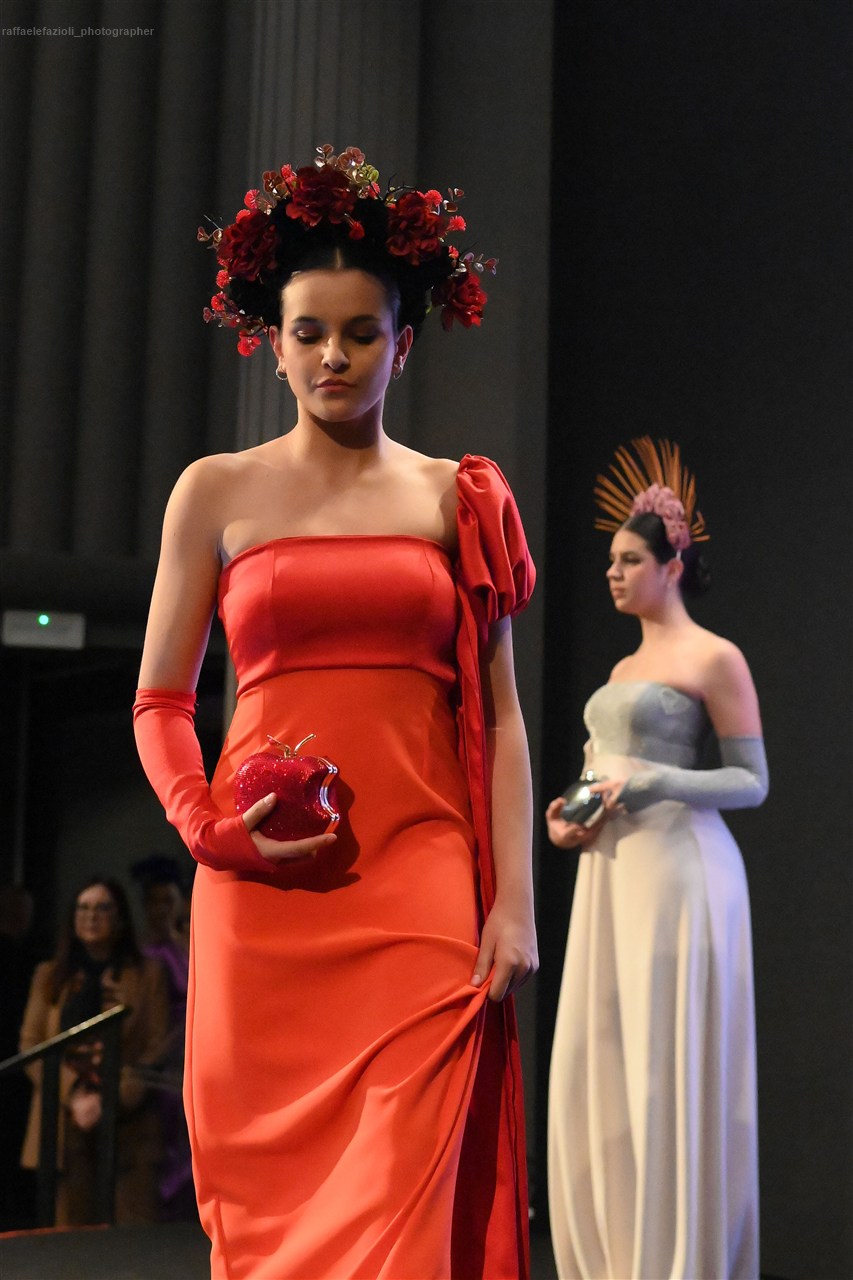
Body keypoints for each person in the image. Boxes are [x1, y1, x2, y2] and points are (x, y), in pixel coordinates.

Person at [133, 144, 538, 1279]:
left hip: (419, 887)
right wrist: (209, 828)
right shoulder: (214, 490)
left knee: (402, 1207)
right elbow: (160, 699)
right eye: (308, 331)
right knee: (270, 1226)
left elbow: (502, 720)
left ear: (403, 344)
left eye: (362, 332)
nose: (333, 355)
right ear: (272, 342)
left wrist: (513, 901)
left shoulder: (457, 495)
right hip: (261, 895)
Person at [546, 438, 766, 1280]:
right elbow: (598, 770)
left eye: (629, 560)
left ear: (672, 566)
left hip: (680, 871)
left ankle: (677, 1260)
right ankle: (615, 1254)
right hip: (612, 872)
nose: (613, 573)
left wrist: (653, 783)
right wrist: (571, 815)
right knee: (605, 1055)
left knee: (663, 1062)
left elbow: (751, 781)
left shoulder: (714, 657)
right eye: (610, 561)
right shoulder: (621, 666)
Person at [19, 876, 169, 1225]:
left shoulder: (149, 974)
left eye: (103, 908)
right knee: (71, 1231)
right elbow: (31, 1045)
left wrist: (110, 1097)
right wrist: (74, 1095)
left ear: (120, 917)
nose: (91, 916)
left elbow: (157, 1045)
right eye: (83, 908)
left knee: (130, 1232)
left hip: (130, 1121)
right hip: (65, 1119)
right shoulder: (49, 975)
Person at [131, 853, 194, 1219]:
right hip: (165, 1059)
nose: (161, 909)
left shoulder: (189, 945)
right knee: (170, 1139)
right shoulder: (143, 954)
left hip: (193, 1050)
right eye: (153, 901)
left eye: (167, 900)